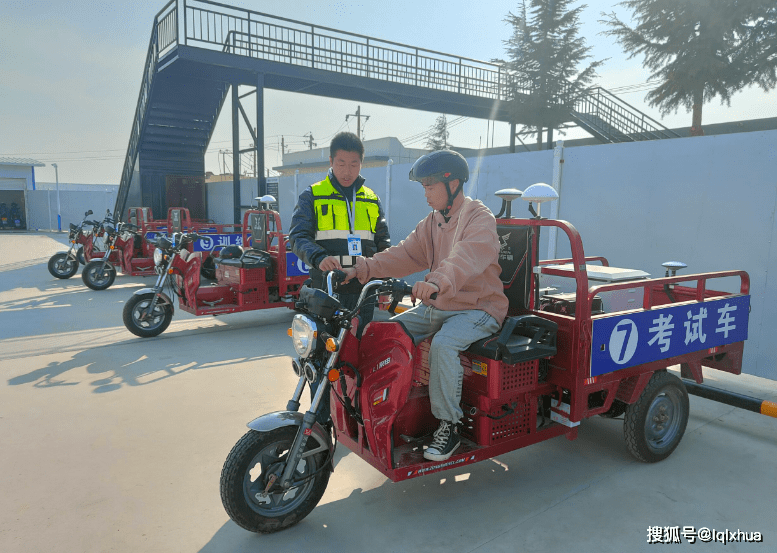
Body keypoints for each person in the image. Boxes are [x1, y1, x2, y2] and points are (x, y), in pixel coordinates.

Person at [343, 149, 508, 462]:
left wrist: (435, 282)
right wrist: (363, 268)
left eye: (429, 187)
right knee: (387, 332)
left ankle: (450, 426)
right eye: (423, 188)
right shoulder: (433, 222)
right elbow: (404, 254)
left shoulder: (479, 218)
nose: (426, 194)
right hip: (440, 304)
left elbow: (465, 259)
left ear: (453, 184)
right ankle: (380, 405)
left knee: (443, 345)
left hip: (479, 308)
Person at [289, 131, 391, 325]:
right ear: (331, 161)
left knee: (361, 346)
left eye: (354, 164)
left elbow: (383, 243)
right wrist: (319, 258)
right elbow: (297, 236)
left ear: (361, 163)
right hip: (327, 288)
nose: (347, 171)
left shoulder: (371, 199)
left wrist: (383, 284)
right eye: (341, 163)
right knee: (325, 350)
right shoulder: (313, 195)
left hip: (364, 289)